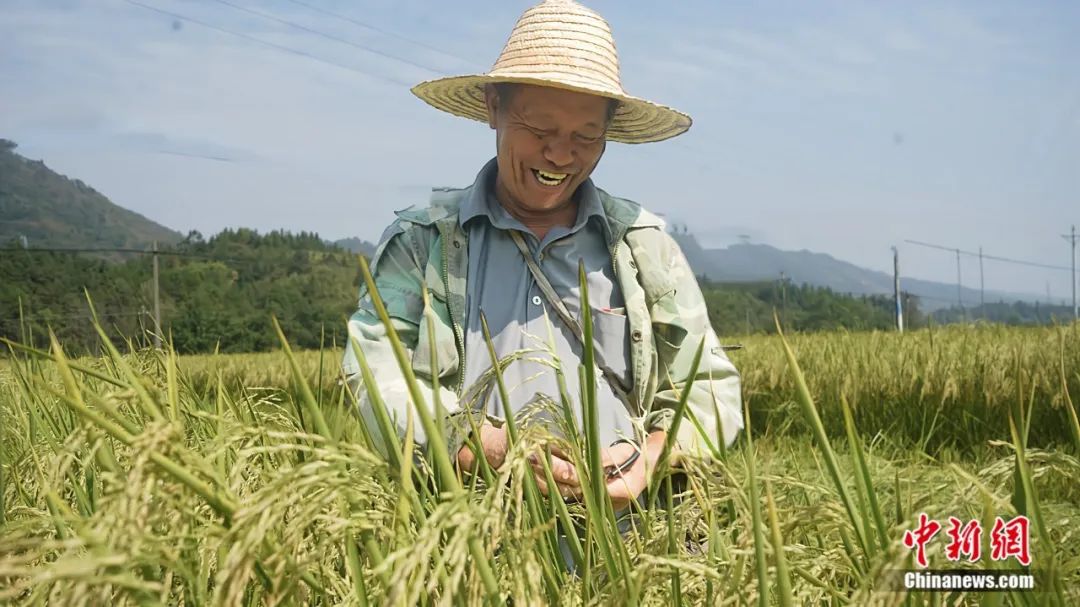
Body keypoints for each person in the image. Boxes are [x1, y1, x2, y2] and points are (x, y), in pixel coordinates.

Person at [343, 0, 742, 513]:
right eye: (539, 129)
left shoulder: (643, 248)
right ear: (494, 107)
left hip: (621, 540)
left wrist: (650, 459)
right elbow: (375, 374)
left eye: (586, 136)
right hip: (464, 536)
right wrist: (478, 445)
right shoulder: (423, 244)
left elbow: (708, 387)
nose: (560, 154)